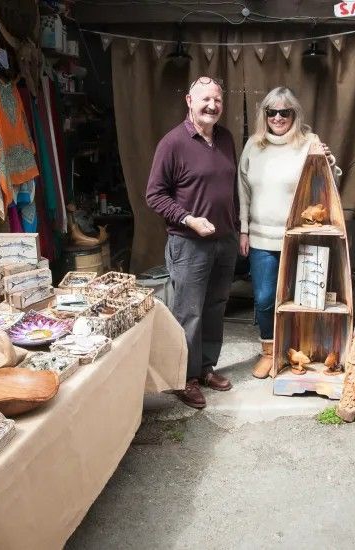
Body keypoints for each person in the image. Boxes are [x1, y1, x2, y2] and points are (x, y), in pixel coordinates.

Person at [146, 76, 239, 409]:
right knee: (189, 314)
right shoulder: (172, 143)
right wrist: (188, 219)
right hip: (188, 243)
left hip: (224, 241)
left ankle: (206, 367)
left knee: (215, 308)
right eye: (205, 100)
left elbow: (231, 190)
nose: (212, 106)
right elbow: (154, 196)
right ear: (189, 100)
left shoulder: (226, 138)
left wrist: (238, 228)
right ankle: (184, 378)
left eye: (217, 99)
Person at [238, 86, 340, 379]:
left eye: (285, 112)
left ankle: (298, 353)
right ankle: (269, 352)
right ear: (265, 114)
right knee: (265, 297)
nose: (279, 117)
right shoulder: (254, 145)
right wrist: (243, 229)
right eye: (272, 112)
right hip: (261, 236)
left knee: (301, 296)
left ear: (294, 114)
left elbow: (326, 183)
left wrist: (330, 164)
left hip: (300, 235)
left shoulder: (309, 142)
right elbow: (242, 191)